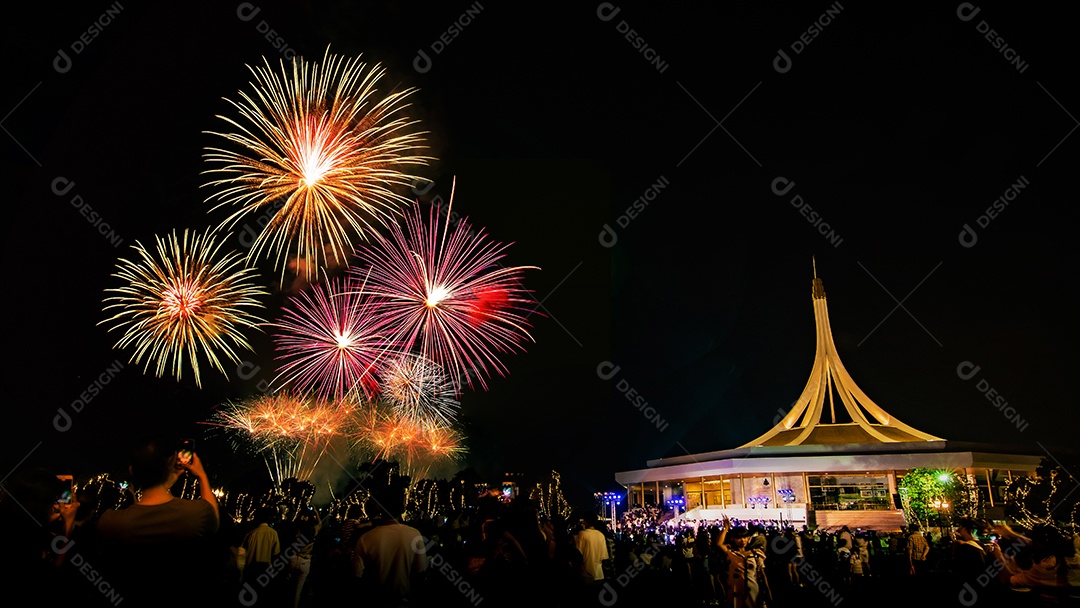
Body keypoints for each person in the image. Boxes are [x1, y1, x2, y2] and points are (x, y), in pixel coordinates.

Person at [94, 436, 222, 607]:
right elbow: (213, 516)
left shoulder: (110, 522)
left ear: (132, 471)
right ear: (170, 466)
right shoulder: (195, 514)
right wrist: (201, 475)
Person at [352, 490, 427, 607]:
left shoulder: (365, 539)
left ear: (379, 507)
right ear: (402, 508)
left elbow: (357, 577)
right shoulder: (414, 535)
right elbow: (420, 574)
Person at [717, 515, 768, 608]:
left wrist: (767, 590)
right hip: (736, 588)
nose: (742, 540)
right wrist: (726, 528)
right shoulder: (731, 553)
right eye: (739, 538)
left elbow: (762, 573)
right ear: (733, 539)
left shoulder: (755, 553)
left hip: (752, 587)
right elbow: (719, 544)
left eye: (745, 537)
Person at [242, 507, 281, 584]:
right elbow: (276, 553)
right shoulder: (273, 533)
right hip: (265, 570)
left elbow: (243, 551)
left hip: (250, 569)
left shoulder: (251, 534)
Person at [574, 511, 609, 584]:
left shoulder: (582, 534)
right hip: (599, 574)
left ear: (586, 521)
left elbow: (578, 553)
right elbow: (604, 556)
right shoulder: (601, 535)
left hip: (586, 573)